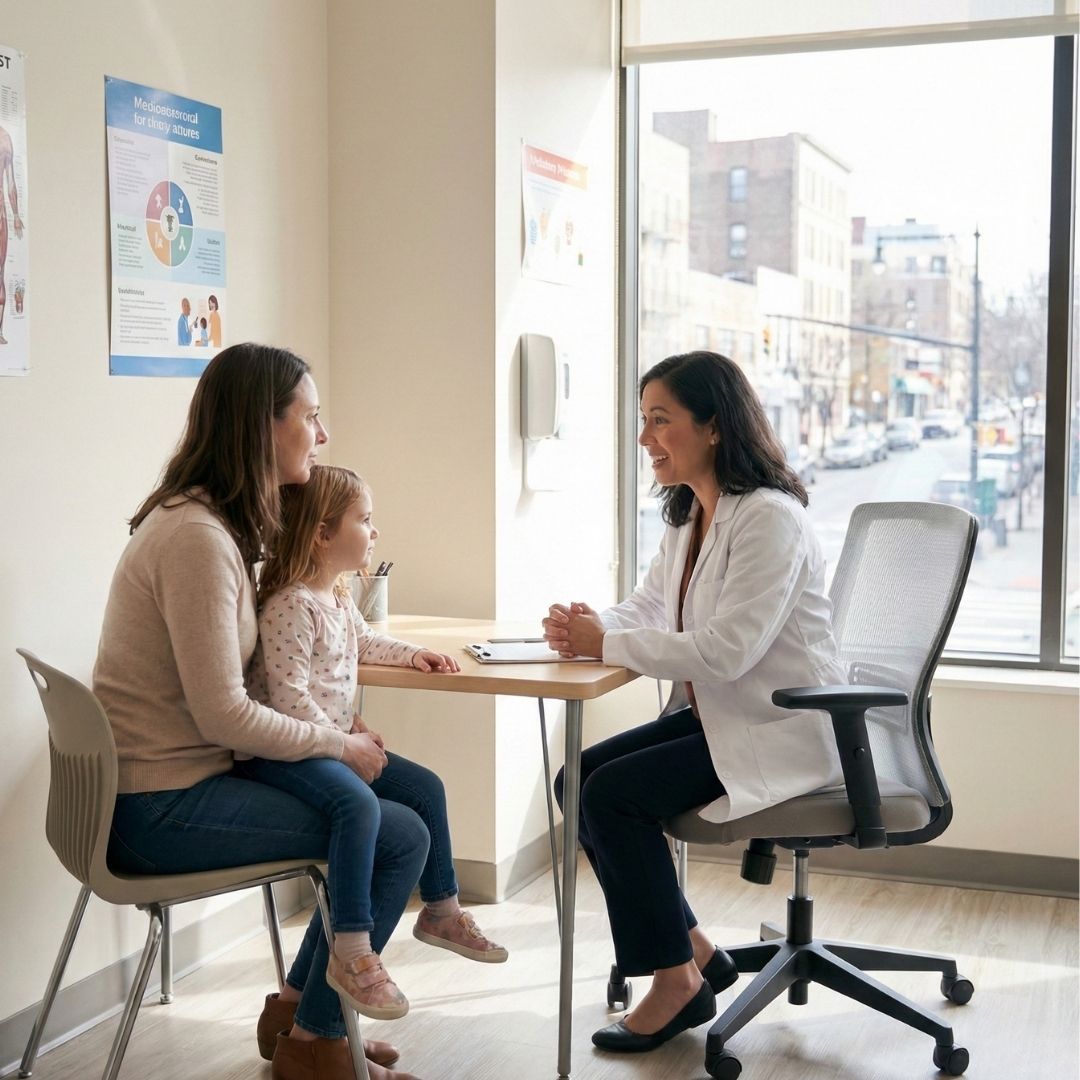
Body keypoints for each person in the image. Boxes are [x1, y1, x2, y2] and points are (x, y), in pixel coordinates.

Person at [94, 343, 425, 1080]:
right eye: (310, 416)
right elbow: (224, 716)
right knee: (397, 834)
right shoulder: (197, 541)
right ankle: (312, 1039)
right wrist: (337, 745)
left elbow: (234, 693)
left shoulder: (210, 525)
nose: (323, 433)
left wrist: (335, 733)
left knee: (407, 805)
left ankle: (303, 1014)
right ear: (261, 427)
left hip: (179, 782)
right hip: (160, 807)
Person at [541, 350, 846, 1055]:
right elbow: (653, 604)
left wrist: (603, 645)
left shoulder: (771, 520)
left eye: (660, 420)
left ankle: (676, 980)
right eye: (643, 420)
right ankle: (695, 951)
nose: (646, 437)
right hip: (718, 718)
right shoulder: (691, 513)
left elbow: (725, 650)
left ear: (712, 426)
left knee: (610, 796)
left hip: (777, 725)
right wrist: (591, 626)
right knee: (576, 782)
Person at [239, 464, 507, 1019]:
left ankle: (442, 909)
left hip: (328, 742)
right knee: (358, 805)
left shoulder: (333, 595)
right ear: (322, 533)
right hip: (285, 753)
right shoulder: (290, 604)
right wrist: (344, 736)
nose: (375, 531)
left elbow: (364, 643)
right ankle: (352, 947)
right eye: (365, 519)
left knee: (425, 788)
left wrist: (413, 654)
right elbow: (287, 702)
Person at [0, 124, 24, 345]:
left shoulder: (5, 139)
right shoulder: (5, 138)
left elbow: (11, 184)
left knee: (0, 270)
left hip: (1, 215)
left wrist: (16, 214)